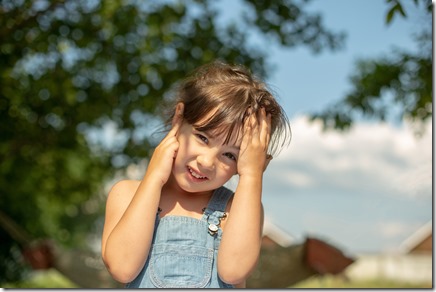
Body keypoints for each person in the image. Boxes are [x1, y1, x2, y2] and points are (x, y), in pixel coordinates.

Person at [101, 60, 291, 288]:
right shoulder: (127, 194)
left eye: (230, 155)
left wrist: (252, 176)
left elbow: (234, 272)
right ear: (179, 118)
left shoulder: (235, 208)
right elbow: (122, 268)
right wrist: (153, 178)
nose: (207, 162)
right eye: (203, 138)